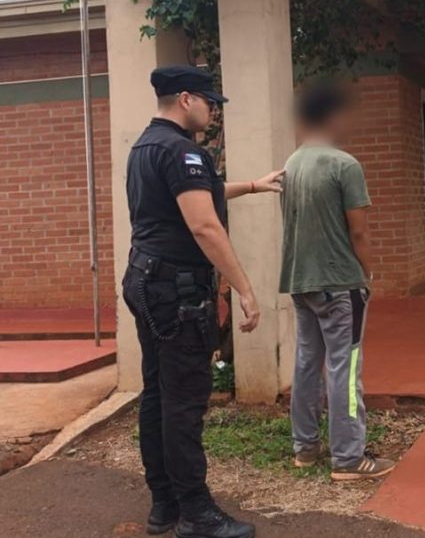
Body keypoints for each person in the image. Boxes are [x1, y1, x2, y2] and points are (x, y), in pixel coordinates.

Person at [123, 65, 283, 538]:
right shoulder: (182, 151)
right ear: (186, 99)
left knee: (157, 393)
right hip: (176, 292)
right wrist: (245, 289)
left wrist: (252, 185)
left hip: (146, 281)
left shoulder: (146, 146)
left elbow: (195, 194)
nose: (214, 111)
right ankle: (196, 513)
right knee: (184, 401)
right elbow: (204, 225)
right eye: (210, 102)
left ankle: (164, 505)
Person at [280, 79, 395, 481]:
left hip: (301, 280)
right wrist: (367, 275)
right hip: (339, 282)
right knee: (345, 368)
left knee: (307, 363)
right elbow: (358, 232)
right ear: (333, 116)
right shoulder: (345, 165)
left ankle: (305, 448)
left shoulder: (292, 163)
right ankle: (348, 458)